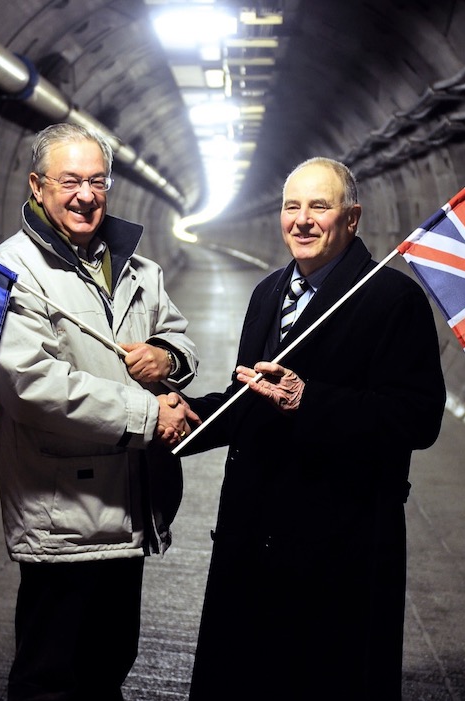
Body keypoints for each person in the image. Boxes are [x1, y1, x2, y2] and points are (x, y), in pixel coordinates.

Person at [182, 157, 447, 700]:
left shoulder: (393, 301)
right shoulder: (267, 292)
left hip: (338, 547)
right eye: (291, 206)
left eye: (319, 207)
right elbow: (250, 398)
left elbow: (418, 417)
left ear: (352, 219)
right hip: (253, 534)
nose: (302, 220)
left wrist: (310, 400)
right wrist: (186, 419)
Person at [0, 122, 200, 701]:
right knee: (49, 676)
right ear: (37, 186)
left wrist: (167, 357)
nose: (86, 195)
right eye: (71, 181)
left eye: (98, 181)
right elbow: (31, 385)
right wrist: (149, 415)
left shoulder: (137, 267)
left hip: (129, 503)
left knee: (109, 662)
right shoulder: (13, 271)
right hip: (64, 510)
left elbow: (178, 336)